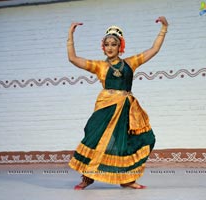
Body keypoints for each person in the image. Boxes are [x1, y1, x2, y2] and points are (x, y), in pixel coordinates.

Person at [67, 16, 168, 190]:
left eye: (114, 44)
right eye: (107, 44)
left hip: (126, 108)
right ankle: (87, 178)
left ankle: (126, 179)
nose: (110, 48)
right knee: (95, 139)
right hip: (106, 107)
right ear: (103, 47)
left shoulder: (130, 63)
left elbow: (154, 49)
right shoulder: (100, 66)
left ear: (120, 46)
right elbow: (73, 59)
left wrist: (164, 28)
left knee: (130, 140)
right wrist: (70, 34)